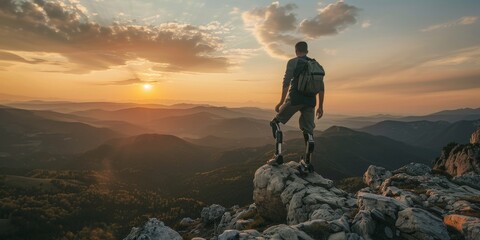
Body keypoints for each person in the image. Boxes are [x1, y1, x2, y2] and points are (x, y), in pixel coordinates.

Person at [268, 41, 325, 171]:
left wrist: (281, 101)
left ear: (296, 51)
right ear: (307, 51)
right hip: (311, 102)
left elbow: (286, 82)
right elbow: (321, 87)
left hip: (295, 99)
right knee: (308, 131)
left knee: (275, 123)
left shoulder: (293, 62)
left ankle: (278, 155)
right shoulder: (316, 65)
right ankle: (307, 162)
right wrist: (321, 106)